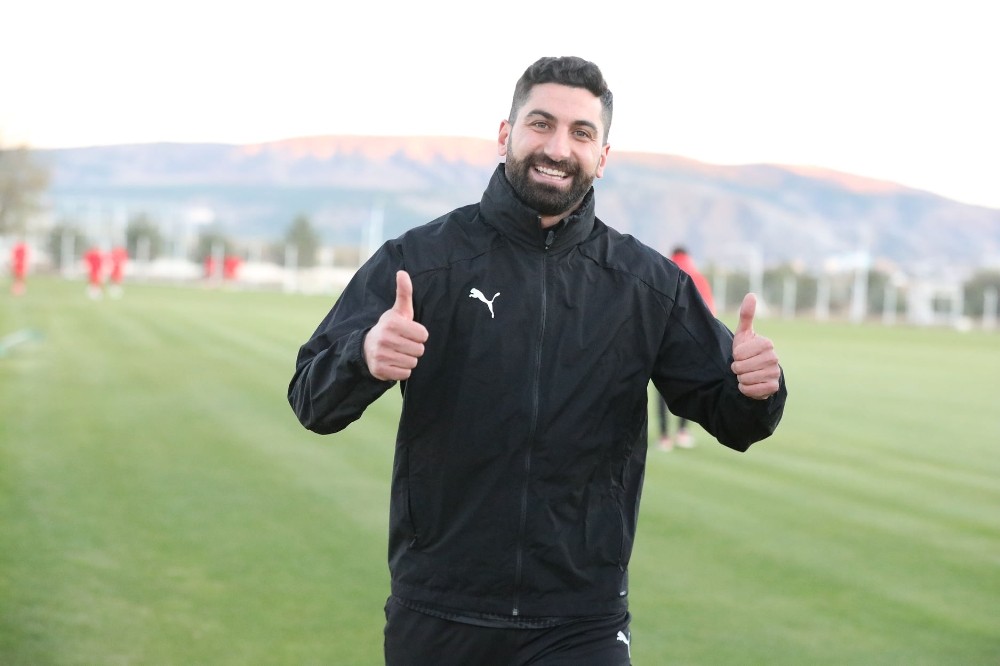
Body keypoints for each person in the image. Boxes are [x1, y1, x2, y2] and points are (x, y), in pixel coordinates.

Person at [288, 56, 786, 666]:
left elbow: (734, 418)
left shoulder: (647, 284)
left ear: (602, 156)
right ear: (506, 133)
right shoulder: (421, 261)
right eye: (541, 123)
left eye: (581, 133)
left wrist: (758, 389)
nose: (558, 147)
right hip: (440, 609)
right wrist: (363, 355)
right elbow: (311, 399)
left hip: (581, 620)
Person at [657, 245, 716, 451]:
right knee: (687, 388)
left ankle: (664, 436)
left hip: (662, 342)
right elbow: (709, 312)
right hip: (690, 342)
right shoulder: (697, 276)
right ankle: (682, 432)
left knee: (661, 391)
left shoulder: (661, 269)